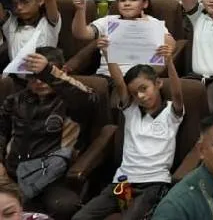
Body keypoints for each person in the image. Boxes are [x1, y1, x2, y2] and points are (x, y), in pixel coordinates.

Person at [73, 36, 183, 220]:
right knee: (80, 218)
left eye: (144, 88)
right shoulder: (131, 110)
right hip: (124, 183)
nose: (140, 96)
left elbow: (178, 93)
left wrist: (169, 62)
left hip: (154, 183)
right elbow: (118, 83)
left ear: (158, 84)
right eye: (135, 93)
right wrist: (108, 54)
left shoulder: (171, 112)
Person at [0, 47, 97, 218]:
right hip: (11, 174)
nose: (39, 81)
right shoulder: (15, 100)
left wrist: (48, 72)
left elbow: (88, 98)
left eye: (43, 76)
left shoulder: (72, 101)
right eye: (33, 76)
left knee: (64, 206)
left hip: (52, 177)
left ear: (61, 71)